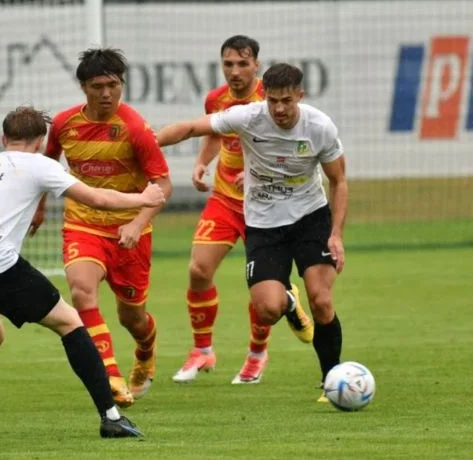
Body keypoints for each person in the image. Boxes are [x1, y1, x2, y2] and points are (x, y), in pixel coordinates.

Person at [0, 106, 163, 439]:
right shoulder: (38, 164)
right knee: (71, 323)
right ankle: (111, 417)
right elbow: (97, 198)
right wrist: (143, 198)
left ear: (4, 139)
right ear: (40, 142)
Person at [157, 63, 347, 403]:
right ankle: (288, 301)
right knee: (268, 309)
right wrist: (147, 143)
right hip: (264, 223)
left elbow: (339, 181)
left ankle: (331, 378)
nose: (279, 109)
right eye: (273, 100)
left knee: (321, 299)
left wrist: (335, 234)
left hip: (310, 218)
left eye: (286, 101)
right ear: (265, 98)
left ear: (300, 96)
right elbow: (191, 128)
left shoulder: (319, 127)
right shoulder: (248, 117)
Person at [32, 48, 172, 408]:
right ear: (84, 87)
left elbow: (162, 185)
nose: (107, 93)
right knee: (81, 293)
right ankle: (111, 375)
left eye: (113, 85)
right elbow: (47, 166)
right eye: (98, 87)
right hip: (83, 224)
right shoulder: (63, 124)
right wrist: (39, 207)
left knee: (133, 318)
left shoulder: (136, 129)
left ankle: (146, 349)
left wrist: (138, 224)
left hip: (130, 234)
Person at [172, 36, 314, 385]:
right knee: (198, 270)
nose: (235, 71)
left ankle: (256, 355)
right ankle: (202, 351)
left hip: (265, 204)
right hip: (225, 199)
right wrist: (202, 163)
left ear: (256, 66)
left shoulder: (273, 99)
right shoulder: (216, 99)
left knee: (260, 287)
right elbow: (214, 132)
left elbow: (291, 146)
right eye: (228, 64)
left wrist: (255, 175)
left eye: (242, 64)